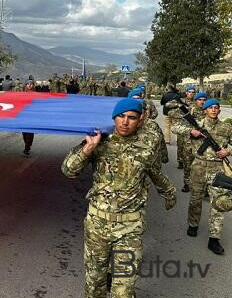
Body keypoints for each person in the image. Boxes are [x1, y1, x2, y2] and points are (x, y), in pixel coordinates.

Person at [61, 98, 176, 297]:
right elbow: (68, 170)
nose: (125, 122)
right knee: (94, 287)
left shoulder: (146, 148)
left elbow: (156, 173)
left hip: (130, 229)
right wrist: (88, 150)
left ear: (140, 120)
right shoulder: (99, 141)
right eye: (121, 116)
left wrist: (169, 193)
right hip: (97, 226)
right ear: (114, 118)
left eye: (131, 118)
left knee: (123, 292)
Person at [173, 98, 231, 255]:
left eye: (216, 107)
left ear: (219, 110)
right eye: (210, 107)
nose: (213, 110)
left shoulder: (226, 127)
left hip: (217, 168)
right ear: (205, 110)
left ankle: (214, 238)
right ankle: (193, 224)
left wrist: (228, 151)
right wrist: (191, 131)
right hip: (198, 166)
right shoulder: (197, 123)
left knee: (219, 203)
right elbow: (175, 127)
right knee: (195, 199)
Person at [22, 80, 35, 155]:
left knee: (30, 132)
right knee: (24, 132)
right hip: (24, 115)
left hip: (32, 116)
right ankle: (27, 145)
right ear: (25, 85)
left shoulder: (36, 94)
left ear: (33, 85)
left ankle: (26, 148)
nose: (29, 85)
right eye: (28, 84)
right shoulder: (22, 94)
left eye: (31, 84)